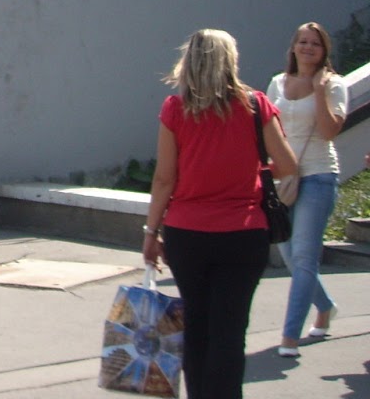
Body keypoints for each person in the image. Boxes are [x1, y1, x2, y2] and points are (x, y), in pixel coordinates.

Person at [143, 28, 297, 398]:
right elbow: (288, 165)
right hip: (244, 233)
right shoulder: (255, 105)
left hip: (187, 233)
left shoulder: (175, 109)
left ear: (190, 61)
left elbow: (165, 178)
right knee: (229, 330)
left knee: (196, 325)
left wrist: (151, 233)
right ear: (231, 61)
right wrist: (255, 171)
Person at [266, 21, 348, 354]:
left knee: (303, 256)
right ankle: (325, 307)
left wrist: (320, 91)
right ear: (293, 47)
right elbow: (267, 129)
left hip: (318, 176)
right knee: (289, 255)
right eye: (303, 41)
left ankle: (289, 338)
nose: (308, 47)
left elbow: (330, 132)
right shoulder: (277, 83)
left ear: (324, 50)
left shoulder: (334, 85)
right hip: (283, 178)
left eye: (315, 43)